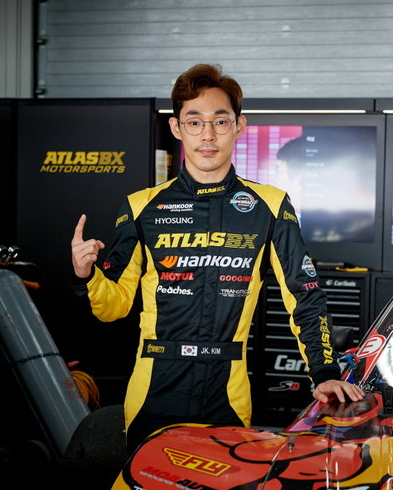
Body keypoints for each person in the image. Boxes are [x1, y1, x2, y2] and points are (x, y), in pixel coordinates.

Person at [70, 63, 364, 452]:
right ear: (177, 128)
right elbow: (114, 307)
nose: (207, 135)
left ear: (238, 126)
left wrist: (324, 373)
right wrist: (86, 275)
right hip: (153, 388)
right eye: (194, 122)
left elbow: (304, 294)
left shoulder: (270, 205)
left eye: (220, 122)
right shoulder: (141, 207)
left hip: (227, 390)